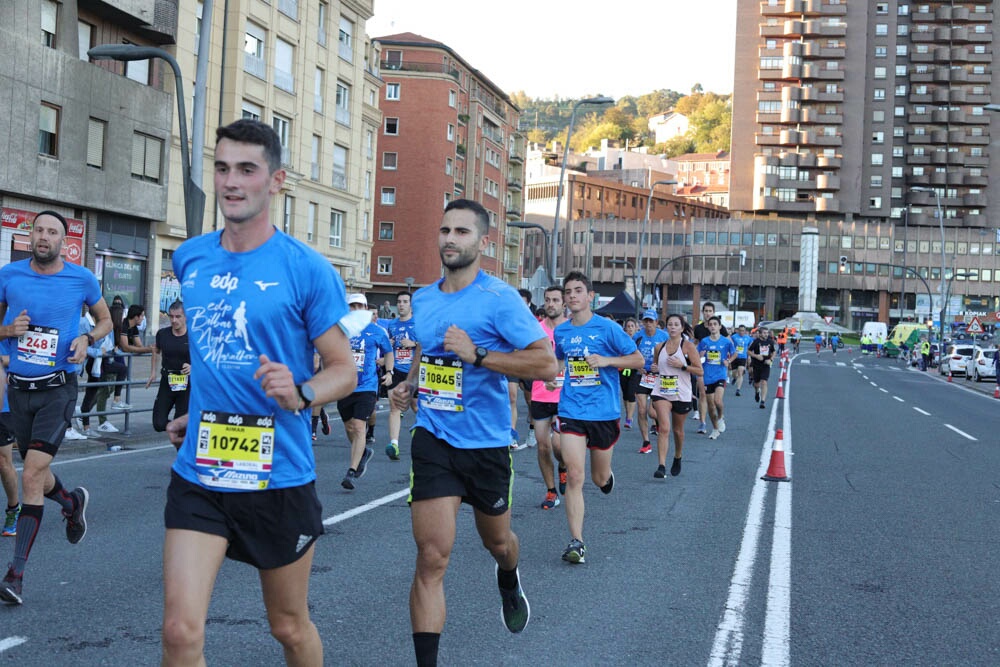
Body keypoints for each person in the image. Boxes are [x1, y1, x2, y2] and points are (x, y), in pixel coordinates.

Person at [160, 119, 357, 665]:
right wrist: (197, 413)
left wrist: (300, 390)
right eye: (222, 168)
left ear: (276, 181)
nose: (231, 182)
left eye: (247, 169)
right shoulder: (190, 258)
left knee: (289, 628)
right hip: (201, 471)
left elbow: (345, 369)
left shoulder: (306, 269)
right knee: (179, 632)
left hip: (278, 476)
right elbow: (215, 347)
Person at [389, 199, 556, 665]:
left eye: (461, 232)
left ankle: (508, 575)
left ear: (483, 242)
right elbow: (427, 352)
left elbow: (546, 363)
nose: (449, 239)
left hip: (486, 446)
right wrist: (409, 385)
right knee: (432, 558)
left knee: (497, 543)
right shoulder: (422, 300)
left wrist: (480, 356)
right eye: (444, 230)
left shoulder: (499, 300)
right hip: (435, 439)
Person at [0, 209, 113, 604]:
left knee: (30, 473)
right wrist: (7, 331)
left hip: (58, 388)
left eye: (52, 232)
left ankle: (15, 576)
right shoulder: (8, 275)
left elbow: (105, 320)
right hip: (19, 390)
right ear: (29, 236)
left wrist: (88, 341)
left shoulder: (81, 278)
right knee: (37, 471)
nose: (44, 237)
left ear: (65, 241)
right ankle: (71, 501)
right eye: (39, 231)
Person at [553, 271, 644, 564]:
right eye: (568, 292)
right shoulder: (561, 332)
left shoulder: (607, 329)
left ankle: (606, 479)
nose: (572, 296)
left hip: (603, 412)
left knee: (598, 476)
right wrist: (555, 376)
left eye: (578, 291)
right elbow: (558, 361)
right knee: (575, 475)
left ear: (591, 296)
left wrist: (608, 361)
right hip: (571, 410)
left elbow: (638, 360)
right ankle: (576, 541)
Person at [339, 293, 392, 490]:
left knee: (359, 426)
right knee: (349, 428)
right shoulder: (341, 330)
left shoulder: (377, 331)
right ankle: (362, 453)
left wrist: (389, 371)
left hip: (367, 385)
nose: (356, 309)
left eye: (360, 306)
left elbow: (388, 351)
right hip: (344, 385)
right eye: (352, 306)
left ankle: (351, 472)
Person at [650, 314, 703, 478]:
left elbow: (699, 370)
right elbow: (656, 366)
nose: (672, 327)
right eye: (670, 324)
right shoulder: (659, 347)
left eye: (675, 324)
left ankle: (678, 456)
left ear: (681, 328)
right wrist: (654, 369)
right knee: (664, 428)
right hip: (662, 391)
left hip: (681, 392)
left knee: (678, 431)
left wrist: (683, 366)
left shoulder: (687, 347)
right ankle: (661, 466)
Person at [531, 285, 568, 510]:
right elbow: (529, 359)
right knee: (543, 446)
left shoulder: (571, 329)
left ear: (564, 304)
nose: (551, 304)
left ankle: (563, 466)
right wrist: (542, 375)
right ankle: (551, 491)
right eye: (547, 300)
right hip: (540, 393)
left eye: (555, 300)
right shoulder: (535, 330)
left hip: (566, 396)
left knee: (558, 446)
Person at [146, 300, 190, 438]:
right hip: (168, 381)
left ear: (185, 317)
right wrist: (153, 372)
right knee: (158, 423)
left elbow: (204, 357)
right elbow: (156, 351)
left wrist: (193, 367)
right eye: (171, 316)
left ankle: (182, 446)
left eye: (178, 317)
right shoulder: (163, 334)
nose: (174, 320)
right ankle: (179, 428)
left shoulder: (194, 336)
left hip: (187, 384)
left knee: (181, 424)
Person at [383, 290, 417, 461]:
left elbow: (428, 345)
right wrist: (389, 345)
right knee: (394, 407)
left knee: (417, 408)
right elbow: (389, 347)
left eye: (405, 301)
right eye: (399, 301)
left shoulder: (418, 323)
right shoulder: (392, 324)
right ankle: (394, 444)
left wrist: (414, 343)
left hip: (414, 372)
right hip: (396, 370)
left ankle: (424, 440)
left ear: (411, 304)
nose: (402, 304)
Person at [697, 316, 737, 440]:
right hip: (708, 376)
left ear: (720, 326)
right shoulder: (704, 341)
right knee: (710, 406)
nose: (713, 326)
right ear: (708, 327)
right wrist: (700, 355)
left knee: (718, 401)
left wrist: (729, 361)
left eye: (715, 324)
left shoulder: (726, 341)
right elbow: (697, 356)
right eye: (711, 324)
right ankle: (715, 429)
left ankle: (721, 417)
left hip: (720, 374)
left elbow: (735, 353)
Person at [632, 310, 667, 454]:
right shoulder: (637, 336)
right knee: (641, 410)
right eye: (645, 321)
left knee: (653, 412)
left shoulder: (663, 336)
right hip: (642, 376)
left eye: (651, 321)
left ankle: (659, 423)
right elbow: (629, 353)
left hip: (658, 376)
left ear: (656, 323)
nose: (648, 324)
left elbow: (670, 355)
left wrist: (660, 366)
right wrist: (637, 366)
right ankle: (646, 442)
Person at [693, 302, 729, 435]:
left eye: (710, 311)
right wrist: (697, 355)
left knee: (715, 401)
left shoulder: (721, 328)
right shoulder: (698, 328)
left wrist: (727, 360)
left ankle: (718, 418)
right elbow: (695, 344)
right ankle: (702, 423)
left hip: (717, 369)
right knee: (702, 395)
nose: (708, 313)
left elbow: (728, 343)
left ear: (713, 312)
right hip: (702, 367)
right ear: (703, 313)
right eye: (706, 311)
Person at [0, 341, 22, 536]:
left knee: (3, 462)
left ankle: (13, 509)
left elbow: (23, 356)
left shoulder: (10, 316)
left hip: (3, 405)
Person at [619, 318, 639, 429]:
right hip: (623, 369)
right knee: (625, 394)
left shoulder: (639, 340)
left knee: (631, 393)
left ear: (636, 328)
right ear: (625, 328)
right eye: (628, 326)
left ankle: (629, 418)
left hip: (634, 370)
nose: (630, 328)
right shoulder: (621, 341)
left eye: (632, 326)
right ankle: (628, 414)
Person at [748, 327, 776, 409]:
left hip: (766, 365)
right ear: (760, 334)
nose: (766, 334)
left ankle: (762, 401)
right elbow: (748, 351)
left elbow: (773, 352)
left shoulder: (770, 342)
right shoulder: (756, 342)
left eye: (767, 333)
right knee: (756, 384)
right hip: (756, 365)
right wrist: (756, 356)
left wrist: (770, 359)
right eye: (764, 333)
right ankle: (757, 391)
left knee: (764, 382)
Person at [731, 325, 753, 396]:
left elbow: (751, 346)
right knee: (734, 373)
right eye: (740, 330)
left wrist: (749, 355)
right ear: (738, 330)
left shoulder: (748, 338)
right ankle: (735, 378)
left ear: (745, 331)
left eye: (743, 330)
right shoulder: (734, 337)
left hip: (743, 357)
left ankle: (738, 390)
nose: (741, 332)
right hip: (735, 357)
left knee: (740, 372)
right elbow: (730, 345)